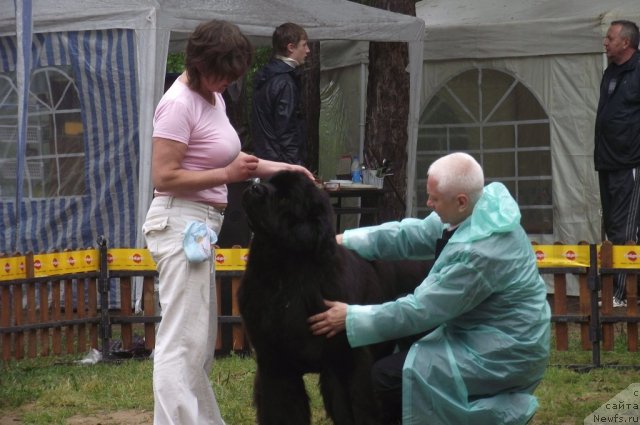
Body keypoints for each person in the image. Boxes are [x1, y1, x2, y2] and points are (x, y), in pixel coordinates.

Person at [142, 20, 313, 425]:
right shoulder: (179, 104)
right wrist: (226, 177)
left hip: (199, 226)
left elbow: (239, 163)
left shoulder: (211, 98)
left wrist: (288, 168)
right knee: (181, 343)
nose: (227, 83)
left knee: (197, 344)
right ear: (200, 63)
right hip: (179, 223)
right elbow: (163, 177)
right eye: (223, 74)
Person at [308, 152, 550, 425]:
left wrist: (350, 317)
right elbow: (412, 234)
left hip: (502, 353)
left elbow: (420, 310)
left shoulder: (480, 254)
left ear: (460, 201)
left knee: (385, 380)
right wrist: (346, 239)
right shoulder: (478, 209)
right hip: (481, 331)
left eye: (434, 199)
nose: (428, 203)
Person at [594, 20, 640, 308]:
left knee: (627, 228)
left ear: (626, 42)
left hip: (631, 162)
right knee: (612, 226)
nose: (605, 42)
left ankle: (622, 293)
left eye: (610, 38)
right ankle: (620, 288)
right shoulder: (610, 71)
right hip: (607, 161)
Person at [251, 22, 310, 165]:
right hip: (281, 165)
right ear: (291, 47)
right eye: (304, 45)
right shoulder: (285, 83)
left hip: (266, 161)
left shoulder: (266, 77)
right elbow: (286, 130)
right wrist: (296, 168)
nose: (308, 50)